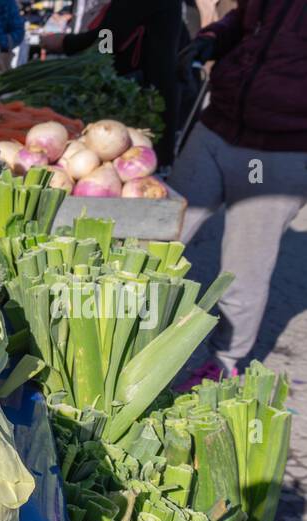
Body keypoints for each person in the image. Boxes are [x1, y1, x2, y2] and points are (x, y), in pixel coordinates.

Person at [169, 0, 307, 383]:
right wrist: (212, 39)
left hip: (278, 152)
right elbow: (242, 20)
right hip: (216, 128)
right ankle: (122, 331)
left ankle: (223, 364)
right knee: (160, 233)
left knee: (244, 264)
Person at [39, 1, 184, 165]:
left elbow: (108, 37)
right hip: (151, 85)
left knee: (138, 160)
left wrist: (66, 43)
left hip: (143, 91)